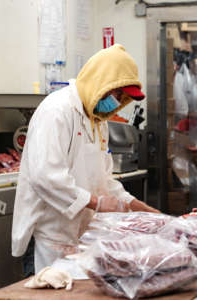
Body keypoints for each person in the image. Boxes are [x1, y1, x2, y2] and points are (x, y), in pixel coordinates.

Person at [12, 44, 159, 275]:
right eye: (117, 93)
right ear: (101, 81)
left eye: (123, 98)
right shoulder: (57, 111)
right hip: (48, 237)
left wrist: (139, 208)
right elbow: (45, 177)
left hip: (81, 237)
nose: (117, 102)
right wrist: (95, 203)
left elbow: (105, 180)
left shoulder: (98, 121)